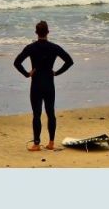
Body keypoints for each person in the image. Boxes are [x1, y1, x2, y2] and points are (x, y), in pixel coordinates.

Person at [13, 20, 74, 151]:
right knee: (51, 113)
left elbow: (17, 62)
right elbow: (69, 61)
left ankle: (36, 144)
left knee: (37, 114)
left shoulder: (31, 47)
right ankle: (51, 143)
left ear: (36, 33)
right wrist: (56, 72)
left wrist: (27, 74)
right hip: (49, 84)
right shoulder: (54, 47)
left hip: (36, 85)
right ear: (48, 32)